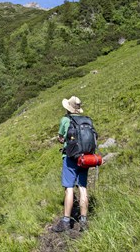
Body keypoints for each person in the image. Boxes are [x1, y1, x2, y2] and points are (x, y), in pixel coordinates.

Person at [52, 95, 90, 233]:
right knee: (83, 187)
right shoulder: (86, 120)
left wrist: (61, 139)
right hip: (85, 157)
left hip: (70, 157)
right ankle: (84, 220)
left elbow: (61, 137)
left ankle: (66, 221)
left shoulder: (65, 120)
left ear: (68, 108)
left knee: (69, 188)